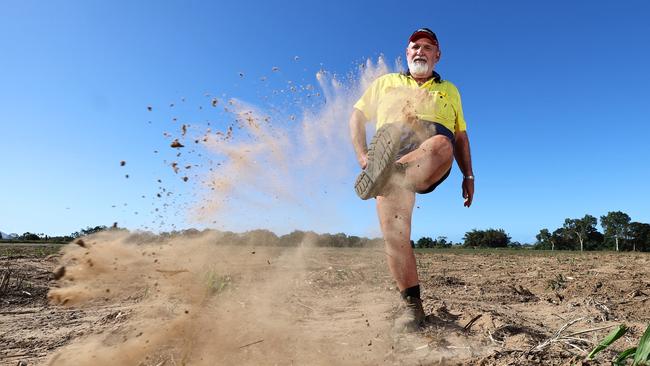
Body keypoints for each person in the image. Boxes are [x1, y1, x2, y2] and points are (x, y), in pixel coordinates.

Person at [349, 28, 475, 330]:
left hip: (430, 155)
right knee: (395, 235)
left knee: (441, 143)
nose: (420, 51)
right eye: (414, 46)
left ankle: (387, 172)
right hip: (387, 153)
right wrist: (364, 157)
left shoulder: (450, 90)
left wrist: (468, 174)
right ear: (407, 54)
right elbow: (357, 116)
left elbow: (460, 137)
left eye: (427, 47)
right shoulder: (385, 82)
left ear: (437, 55)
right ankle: (412, 308)